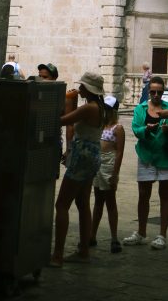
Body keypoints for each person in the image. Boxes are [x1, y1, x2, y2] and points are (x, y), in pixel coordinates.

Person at [49, 71, 106, 267]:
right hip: (92, 154)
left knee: (62, 205)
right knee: (82, 204)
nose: (79, 89)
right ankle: (83, 250)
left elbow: (64, 120)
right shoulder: (101, 106)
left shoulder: (89, 108)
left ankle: (57, 255)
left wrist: (67, 99)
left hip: (82, 155)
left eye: (82, 86)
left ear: (88, 89)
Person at [126, 75, 168, 250]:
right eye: (153, 91)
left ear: (163, 92)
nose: (156, 95)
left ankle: (162, 235)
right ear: (149, 91)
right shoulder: (141, 108)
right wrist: (145, 130)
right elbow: (135, 128)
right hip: (147, 155)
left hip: (165, 155)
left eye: (159, 92)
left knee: (165, 194)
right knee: (143, 194)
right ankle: (141, 232)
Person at [91, 95, 126, 253]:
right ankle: (92, 235)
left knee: (110, 201)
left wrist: (115, 173)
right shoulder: (100, 126)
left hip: (109, 163)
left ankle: (114, 238)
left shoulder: (117, 128)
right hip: (98, 163)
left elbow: (119, 152)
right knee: (98, 200)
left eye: (107, 109)